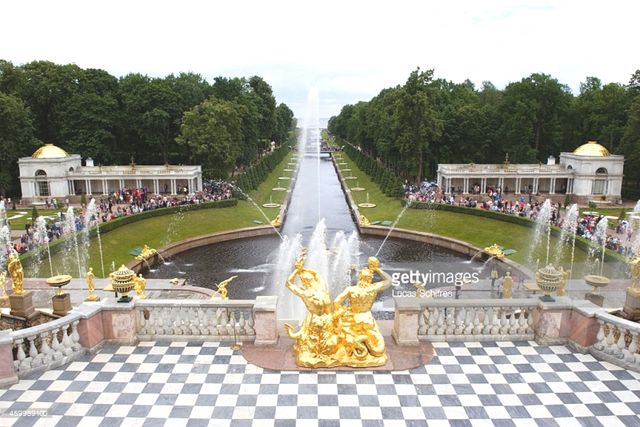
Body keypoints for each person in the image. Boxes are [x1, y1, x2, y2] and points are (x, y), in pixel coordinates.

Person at [332, 257, 391, 365]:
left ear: (359, 277)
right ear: (371, 278)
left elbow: (336, 302)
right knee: (378, 348)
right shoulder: (373, 288)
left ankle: (356, 347)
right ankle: (363, 346)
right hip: (367, 319)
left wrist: (342, 311)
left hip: (354, 319)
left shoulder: (351, 289)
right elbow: (389, 281)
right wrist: (377, 269)